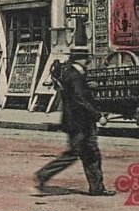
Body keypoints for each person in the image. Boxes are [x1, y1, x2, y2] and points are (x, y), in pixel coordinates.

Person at [35, 52, 115, 196]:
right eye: (87, 58)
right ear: (80, 59)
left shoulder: (72, 73)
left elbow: (75, 92)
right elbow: (79, 99)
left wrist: (87, 86)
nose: (89, 60)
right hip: (80, 123)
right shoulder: (75, 75)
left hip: (76, 122)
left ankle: (97, 188)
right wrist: (98, 116)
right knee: (75, 154)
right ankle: (44, 174)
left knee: (90, 154)